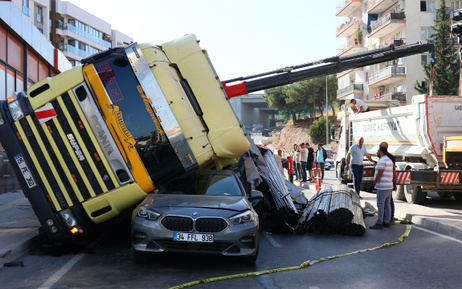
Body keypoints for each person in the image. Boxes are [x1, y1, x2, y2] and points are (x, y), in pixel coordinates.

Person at [369, 146, 394, 229]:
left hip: (382, 186)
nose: (377, 152)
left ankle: (379, 222)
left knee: (380, 205)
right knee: (387, 205)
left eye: (378, 151)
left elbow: (380, 173)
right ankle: (387, 221)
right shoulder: (389, 160)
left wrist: (374, 183)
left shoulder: (382, 161)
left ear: (381, 152)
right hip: (389, 185)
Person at [380, 141, 397, 225]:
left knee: (388, 202)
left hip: (387, 183)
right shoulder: (382, 157)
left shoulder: (390, 157)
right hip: (386, 183)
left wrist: (394, 182)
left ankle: (389, 218)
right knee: (387, 203)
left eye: (381, 147)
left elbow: (393, 170)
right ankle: (387, 218)